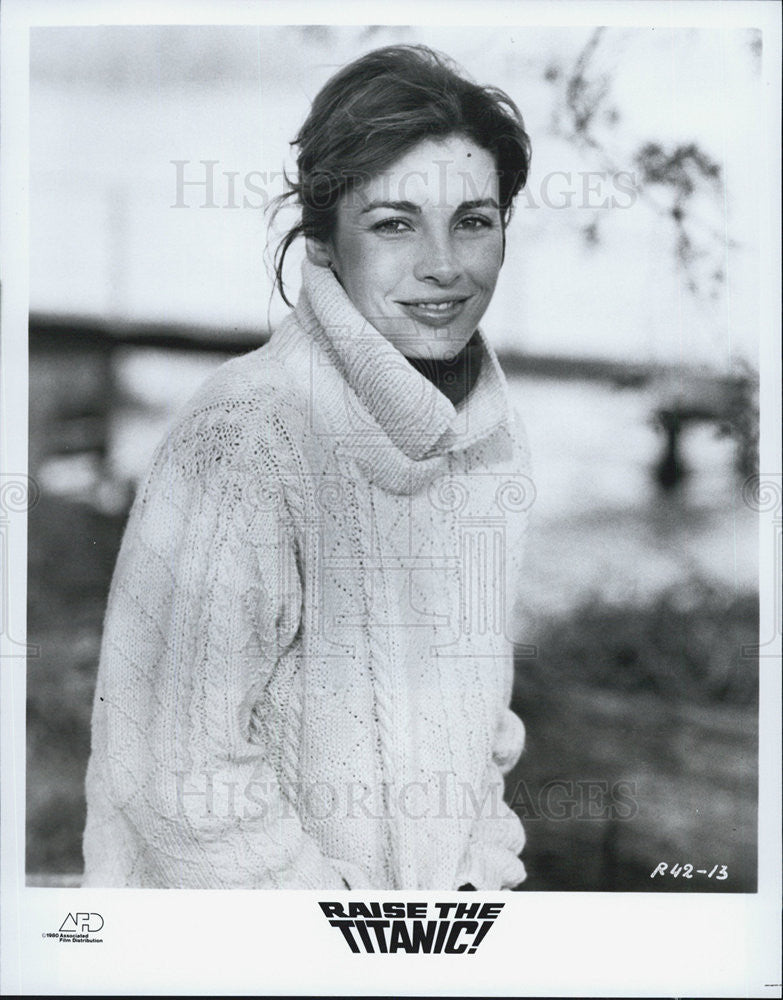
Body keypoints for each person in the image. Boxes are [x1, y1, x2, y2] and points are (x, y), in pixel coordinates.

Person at [83, 43, 534, 890]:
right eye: (394, 222)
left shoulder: (492, 445)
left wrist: (478, 891)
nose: (444, 264)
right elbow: (181, 782)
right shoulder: (247, 437)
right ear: (323, 242)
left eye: (473, 219)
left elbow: (481, 735)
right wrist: (361, 950)